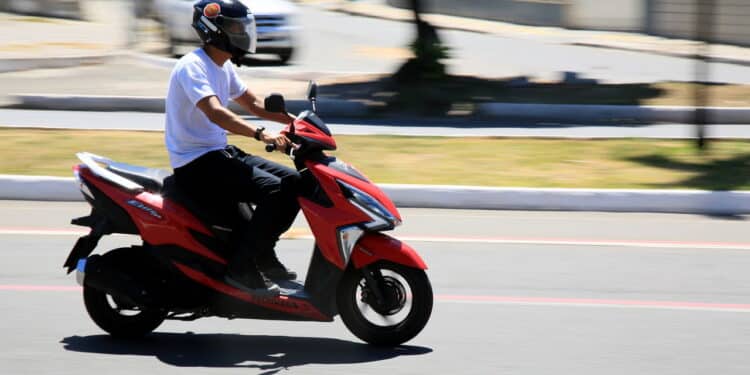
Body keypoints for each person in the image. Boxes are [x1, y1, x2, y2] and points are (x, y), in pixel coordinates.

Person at [164, 0, 298, 296]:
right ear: (215, 31)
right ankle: (242, 267)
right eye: (236, 27)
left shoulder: (222, 67)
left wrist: (297, 123)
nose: (242, 32)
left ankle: (262, 253)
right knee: (274, 191)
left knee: (294, 183)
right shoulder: (192, 66)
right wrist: (261, 134)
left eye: (242, 27)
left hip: (218, 154)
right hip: (195, 164)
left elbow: (254, 104)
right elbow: (216, 112)